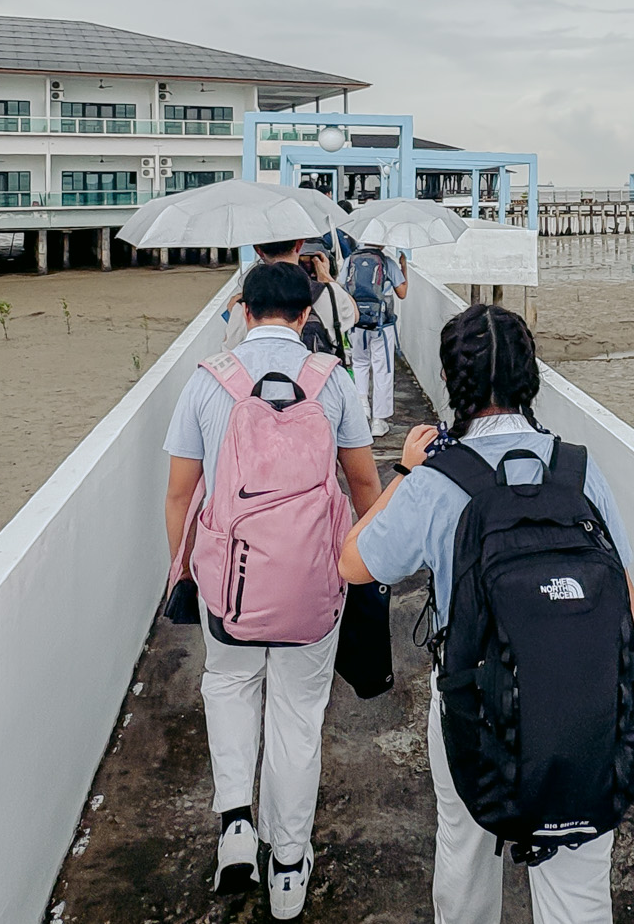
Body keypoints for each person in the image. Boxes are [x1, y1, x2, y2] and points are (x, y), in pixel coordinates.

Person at [339, 304, 634, 924]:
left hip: (474, 705)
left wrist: (405, 471)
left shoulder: (436, 481)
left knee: (466, 850)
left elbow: (352, 562)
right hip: (584, 704)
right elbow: (631, 611)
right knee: (578, 887)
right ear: (530, 376)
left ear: (452, 382)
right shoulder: (578, 470)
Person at [165, 260, 382, 918]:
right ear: (306, 315)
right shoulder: (332, 379)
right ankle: (289, 865)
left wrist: (187, 571)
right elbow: (364, 483)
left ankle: (236, 821)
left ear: (242, 308)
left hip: (228, 582)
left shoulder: (209, 380)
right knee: (297, 715)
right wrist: (367, 565)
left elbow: (180, 494)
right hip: (312, 584)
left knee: (229, 685)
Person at [343, 240, 407, 436]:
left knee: (359, 363)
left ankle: (362, 409)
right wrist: (404, 267)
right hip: (381, 324)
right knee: (382, 368)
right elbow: (402, 293)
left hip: (357, 322)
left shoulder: (350, 260)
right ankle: (379, 421)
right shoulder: (387, 262)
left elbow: (341, 287)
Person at [220, 236, 304, 352]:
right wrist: (328, 282)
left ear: (257, 250)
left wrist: (235, 313)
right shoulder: (322, 292)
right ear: (300, 244)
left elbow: (229, 351)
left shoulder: (246, 300)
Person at [297, 240, 357, 359]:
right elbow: (355, 315)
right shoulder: (332, 293)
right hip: (324, 363)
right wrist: (326, 276)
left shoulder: (282, 289)